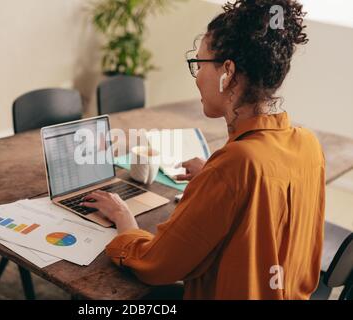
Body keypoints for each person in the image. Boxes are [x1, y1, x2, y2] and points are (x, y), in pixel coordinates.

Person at [81, 0, 325, 299]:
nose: (197, 76)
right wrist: (213, 178)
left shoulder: (237, 163)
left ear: (228, 72)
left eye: (199, 63)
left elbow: (158, 265)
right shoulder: (308, 144)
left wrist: (124, 220)